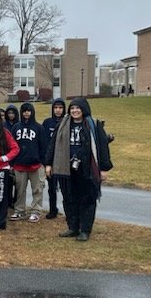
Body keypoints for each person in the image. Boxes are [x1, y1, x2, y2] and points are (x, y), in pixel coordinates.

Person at [45, 97, 113, 241]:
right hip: (66, 168)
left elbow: (102, 147)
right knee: (69, 198)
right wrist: (49, 163)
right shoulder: (63, 124)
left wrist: (103, 169)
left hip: (86, 168)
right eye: (72, 108)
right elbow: (53, 144)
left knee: (87, 199)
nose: (75, 111)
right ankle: (73, 227)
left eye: (78, 108)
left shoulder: (94, 125)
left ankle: (85, 230)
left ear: (84, 109)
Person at [9, 102, 47, 222]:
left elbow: (43, 146)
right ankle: (19, 210)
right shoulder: (16, 127)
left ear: (32, 112)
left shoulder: (39, 127)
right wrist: (12, 163)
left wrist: (43, 162)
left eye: (28, 111)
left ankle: (35, 211)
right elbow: (12, 145)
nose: (26, 113)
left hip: (36, 164)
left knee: (37, 189)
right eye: (24, 111)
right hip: (19, 164)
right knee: (20, 190)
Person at [42, 98, 66, 219]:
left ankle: (69, 211)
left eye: (60, 108)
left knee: (66, 188)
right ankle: (53, 209)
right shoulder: (47, 123)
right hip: (51, 159)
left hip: (64, 160)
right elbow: (43, 141)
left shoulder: (67, 122)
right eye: (55, 108)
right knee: (51, 187)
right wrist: (46, 161)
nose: (58, 110)